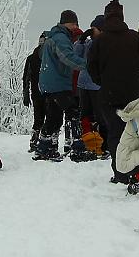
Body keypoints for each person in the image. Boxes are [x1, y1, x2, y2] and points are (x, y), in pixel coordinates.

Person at [87, 0, 139, 183]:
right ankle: (137, 171)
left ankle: (120, 173)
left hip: (109, 95)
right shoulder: (135, 37)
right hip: (133, 94)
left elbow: (91, 66)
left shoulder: (99, 41)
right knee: (136, 133)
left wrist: (102, 81)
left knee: (115, 134)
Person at [34, 9, 90, 161]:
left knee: (54, 116)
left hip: (48, 83)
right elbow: (67, 57)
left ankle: (44, 147)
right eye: (75, 25)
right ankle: (77, 148)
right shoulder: (61, 38)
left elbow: (41, 55)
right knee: (72, 112)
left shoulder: (52, 37)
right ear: (71, 24)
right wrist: (89, 65)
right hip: (58, 84)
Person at [75, 15, 108, 155]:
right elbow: (75, 55)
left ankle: (103, 144)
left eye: (93, 28)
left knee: (101, 117)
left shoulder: (104, 43)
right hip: (83, 85)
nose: (91, 31)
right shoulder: (88, 43)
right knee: (85, 116)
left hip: (97, 86)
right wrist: (81, 41)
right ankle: (88, 143)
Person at [22, 34, 46, 152]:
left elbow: (25, 78)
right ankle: (44, 142)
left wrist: (26, 95)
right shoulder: (48, 58)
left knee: (38, 119)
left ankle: (34, 142)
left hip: (36, 94)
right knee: (49, 118)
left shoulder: (31, 58)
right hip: (48, 93)